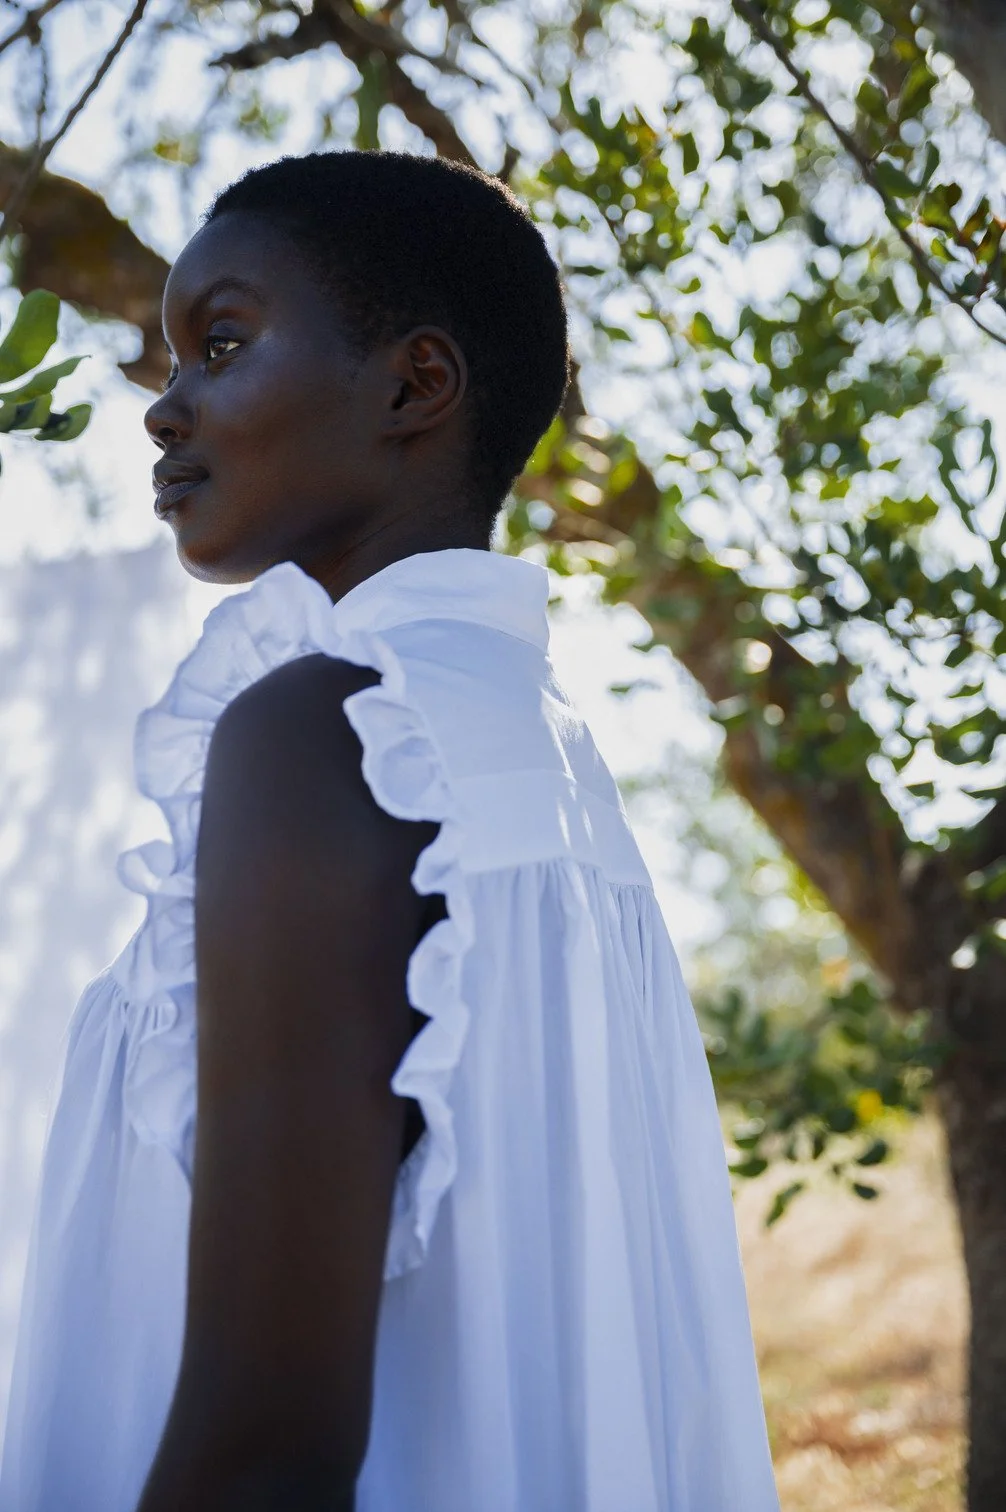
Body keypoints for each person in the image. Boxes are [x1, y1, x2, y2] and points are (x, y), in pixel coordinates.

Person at [0, 149, 780, 1512]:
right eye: (167, 358)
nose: (162, 408)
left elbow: (268, 1452)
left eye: (221, 343)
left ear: (415, 386)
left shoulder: (322, 737)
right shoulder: (543, 755)